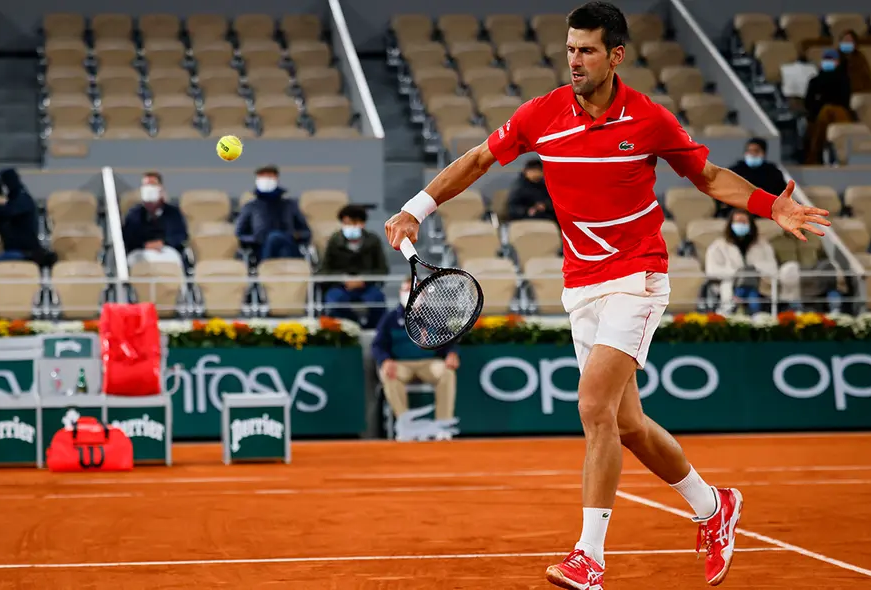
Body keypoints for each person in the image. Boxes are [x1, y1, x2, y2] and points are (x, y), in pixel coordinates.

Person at [384, 3, 830, 588]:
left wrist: (771, 203)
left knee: (593, 407)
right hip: (582, 285)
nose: (575, 60)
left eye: (587, 50)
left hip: (637, 277)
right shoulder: (541, 113)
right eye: (570, 49)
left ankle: (590, 556)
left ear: (615, 55)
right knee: (628, 426)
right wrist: (416, 209)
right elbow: (478, 160)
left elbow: (709, 176)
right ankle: (712, 506)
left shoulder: (648, 119)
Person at [371, 277, 460, 440]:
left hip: (429, 363)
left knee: (447, 372)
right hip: (400, 363)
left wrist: (452, 354)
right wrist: (385, 360)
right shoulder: (390, 319)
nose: (411, 294)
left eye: (416, 291)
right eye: (407, 290)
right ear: (400, 293)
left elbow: (449, 342)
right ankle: (406, 426)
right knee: (388, 375)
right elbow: (378, 345)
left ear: (424, 294)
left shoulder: (435, 317)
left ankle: (443, 425)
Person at [318, 204, 389, 327]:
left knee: (377, 300)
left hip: (366, 286)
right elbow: (324, 270)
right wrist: (343, 279)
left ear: (362, 223)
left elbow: (382, 269)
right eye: (346, 223)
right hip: (340, 286)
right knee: (334, 301)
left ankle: (373, 330)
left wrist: (363, 279)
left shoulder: (373, 240)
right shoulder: (334, 241)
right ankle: (351, 327)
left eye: (353, 223)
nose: (349, 226)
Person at [704, 209, 785, 315]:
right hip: (730, 287)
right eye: (737, 222)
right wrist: (737, 272)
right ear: (730, 224)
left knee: (755, 306)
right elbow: (712, 270)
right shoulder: (718, 246)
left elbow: (773, 268)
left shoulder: (763, 245)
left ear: (750, 224)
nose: (740, 224)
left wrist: (755, 269)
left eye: (744, 222)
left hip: (759, 286)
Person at [235, 164, 310, 262]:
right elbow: (240, 235)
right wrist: (255, 239)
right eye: (263, 176)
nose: (266, 179)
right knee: (273, 238)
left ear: (276, 179)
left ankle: (272, 270)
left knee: (276, 238)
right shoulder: (250, 207)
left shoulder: (289, 205)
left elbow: (306, 233)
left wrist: (294, 235)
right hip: (260, 249)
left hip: (288, 245)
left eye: (269, 176)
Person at [122, 171, 188, 270]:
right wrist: (145, 245)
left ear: (160, 189)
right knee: (134, 261)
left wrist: (162, 243)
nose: (148, 189)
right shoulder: (134, 214)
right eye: (145, 186)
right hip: (141, 251)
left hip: (166, 250)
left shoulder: (173, 212)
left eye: (152, 185)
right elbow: (128, 237)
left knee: (174, 261)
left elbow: (180, 235)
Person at [803, 48, 853, 165]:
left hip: (839, 113)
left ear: (837, 62)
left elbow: (845, 101)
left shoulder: (844, 80)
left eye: (831, 59)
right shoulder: (814, 81)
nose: (828, 62)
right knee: (825, 112)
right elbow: (808, 103)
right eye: (826, 59)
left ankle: (819, 154)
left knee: (831, 111)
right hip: (817, 115)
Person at [722, 137, 787, 217]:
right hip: (738, 212)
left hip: (766, 213)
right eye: (749, 151)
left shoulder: (773, 173)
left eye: (756, 151)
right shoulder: (735, 171)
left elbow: (781, 195)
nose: (752, 154)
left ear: (764, 153)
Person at [507, 157, 555, 221]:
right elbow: (512, 209)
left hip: (546, 217)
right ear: (525, 172)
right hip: (524, 219)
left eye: (538, 170)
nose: (535, 174)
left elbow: (552, 203)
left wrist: (545, 206)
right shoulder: (519, 187)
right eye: (533, 171)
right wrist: (527, 210)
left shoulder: (546, 186)